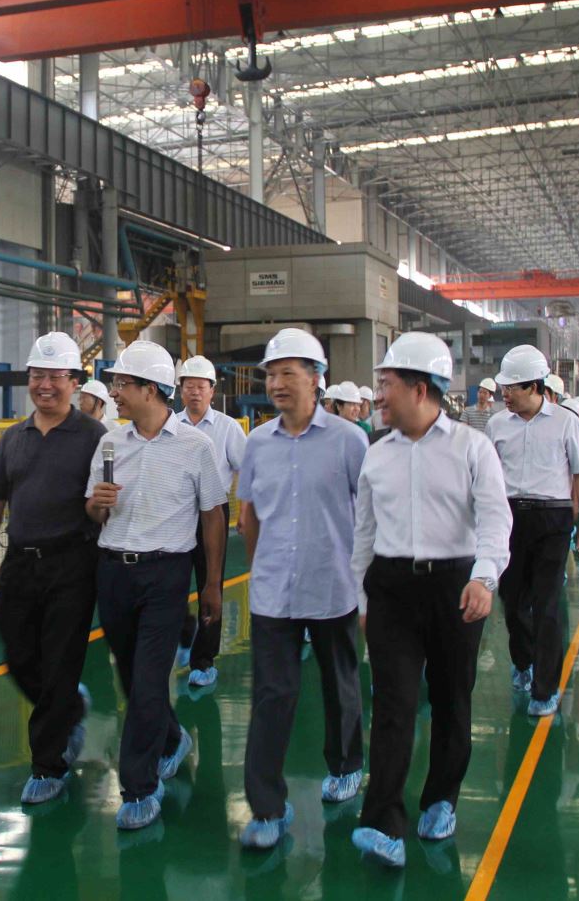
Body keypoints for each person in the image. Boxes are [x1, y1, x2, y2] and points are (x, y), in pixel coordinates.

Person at [350, 332, 512, 867]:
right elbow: (363, 534)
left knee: (451, 700)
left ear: (420, 389)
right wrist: (362, 600)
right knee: (393, 704)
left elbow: (495, 519)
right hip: (391, 588)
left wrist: (484, 578)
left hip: (455, 587)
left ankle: (441, 797)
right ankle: (382, 823)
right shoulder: (377, 454)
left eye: (387, 384)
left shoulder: (472, 447)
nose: (378, 395)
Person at [85, 340, 227, 831]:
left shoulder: (196, 447)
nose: (114, 393)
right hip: (113, 572)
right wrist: (97, 504)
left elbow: (212, 516)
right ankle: (171, 739)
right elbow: (92, 511)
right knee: (131, 678)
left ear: (149, 389)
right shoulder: (110, 444)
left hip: (166, 574)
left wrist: (212, 585)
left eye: (121, 384)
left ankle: (139, 788)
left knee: (149, 681)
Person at [236, 329, 369, 849]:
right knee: (272, 695)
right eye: (271, 374)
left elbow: (368, 516)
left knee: (340, 684)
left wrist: (365, 585)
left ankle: (346, 764)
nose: (276, 384)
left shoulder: (349, 440)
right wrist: (263, 567)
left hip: (333, 584)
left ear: (317, 379)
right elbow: (249, 516)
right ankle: (266, 808)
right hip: (274, 590)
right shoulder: (257, 444)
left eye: (287, 373)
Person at [0, 332, 107, 805]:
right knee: (19, 656)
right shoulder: (14, 437)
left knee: (60, 660)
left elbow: (105, 503)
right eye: (37, 376)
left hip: (73, 563)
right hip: (20, 563)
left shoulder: (94, 436)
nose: (45, 385)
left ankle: (48, 765)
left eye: (55, 377)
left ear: (74, 382)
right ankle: (69, 707)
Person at [488, 345, 579, 717]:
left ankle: (545, 688)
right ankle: (524, 661)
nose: (505, 394)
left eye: (511, 387)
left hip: (553, 520)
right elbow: (486, 477)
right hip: (510, 519)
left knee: (547, 605)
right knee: (512, 602)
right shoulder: (497, 425)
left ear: (534, 386)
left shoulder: (566, 422)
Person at [172, 355, 248, 687]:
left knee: (210, 585)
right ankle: (184, 633)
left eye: (200, 386)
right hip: (177, 513)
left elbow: (247, 469)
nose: (194, 392)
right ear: (180, 391)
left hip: (213, 514)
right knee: (170, 581)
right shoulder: (171, 425)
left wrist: (246, 509)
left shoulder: (228, 428)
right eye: (189, 386)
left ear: (212, 391)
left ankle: (204, 661)